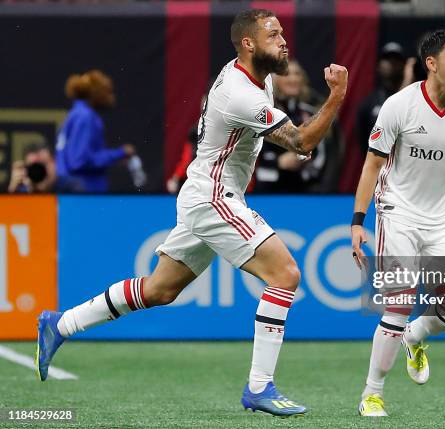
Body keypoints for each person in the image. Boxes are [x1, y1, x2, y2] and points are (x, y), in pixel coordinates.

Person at [36, 9, 347, 417]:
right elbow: (303, 142)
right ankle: (259, 387)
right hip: (213, 196)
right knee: (285, 274)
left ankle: (60, 324)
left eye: (283, 32)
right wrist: (337, 96)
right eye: (273, 34)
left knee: (160, 290)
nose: (284, 39)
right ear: (248, 44)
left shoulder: (259, 76)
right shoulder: (241, 92)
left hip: (205, 190)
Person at [350, 30, 445, 417]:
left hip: (441, 218)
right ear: (431, 63)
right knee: (399, 303)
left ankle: (416, 336)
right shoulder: (399, 106)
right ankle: (372, 393)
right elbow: (372, 164)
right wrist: (357, 220)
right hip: (396, 211)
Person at [254, 59, 336, 193]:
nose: (293, 79)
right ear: (274, 80)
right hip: (265, 191)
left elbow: (322, 153)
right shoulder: (262, 112)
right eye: (287, 74)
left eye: (297, 74)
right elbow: (249, 148)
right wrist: (278, 162)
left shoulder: (311, 114)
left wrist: (304, 163)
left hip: (303, 190)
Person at [55, 70, 136, 193]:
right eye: (108, 92)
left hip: (74, 193)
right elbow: (79, 161)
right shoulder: (85, 116)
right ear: (95, 93)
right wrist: (119, 153)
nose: (111, 97)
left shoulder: (75, 114)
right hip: (84, 195)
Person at [356, 42, 417, 156]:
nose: (392, 63)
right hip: (378, 165)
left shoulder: (415, 100)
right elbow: (363, 143)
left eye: (396, 59)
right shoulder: (369, 103)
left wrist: (408, 80)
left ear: (404, 66)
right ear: (378, 66)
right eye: (387, 59)